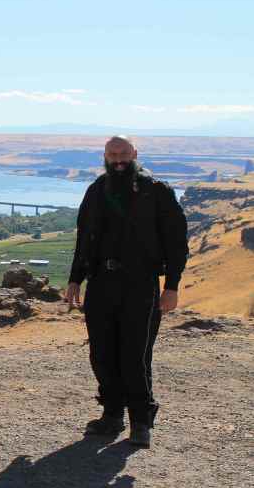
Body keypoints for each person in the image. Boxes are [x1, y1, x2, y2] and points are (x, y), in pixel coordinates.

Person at [66, 135, 189, 448]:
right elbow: (84, 238)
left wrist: (172, 286)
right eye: (112, 154)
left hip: (141, 284)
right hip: (102, 283)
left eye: (123, 153)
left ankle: (140, 422)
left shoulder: (157, 191)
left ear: (134, 154)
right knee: (102, 353)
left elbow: (177, 243)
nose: (118, 159)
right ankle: (111, 415)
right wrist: (75, 279)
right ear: (105, 156)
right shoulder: (96, 190)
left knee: (135, 355)